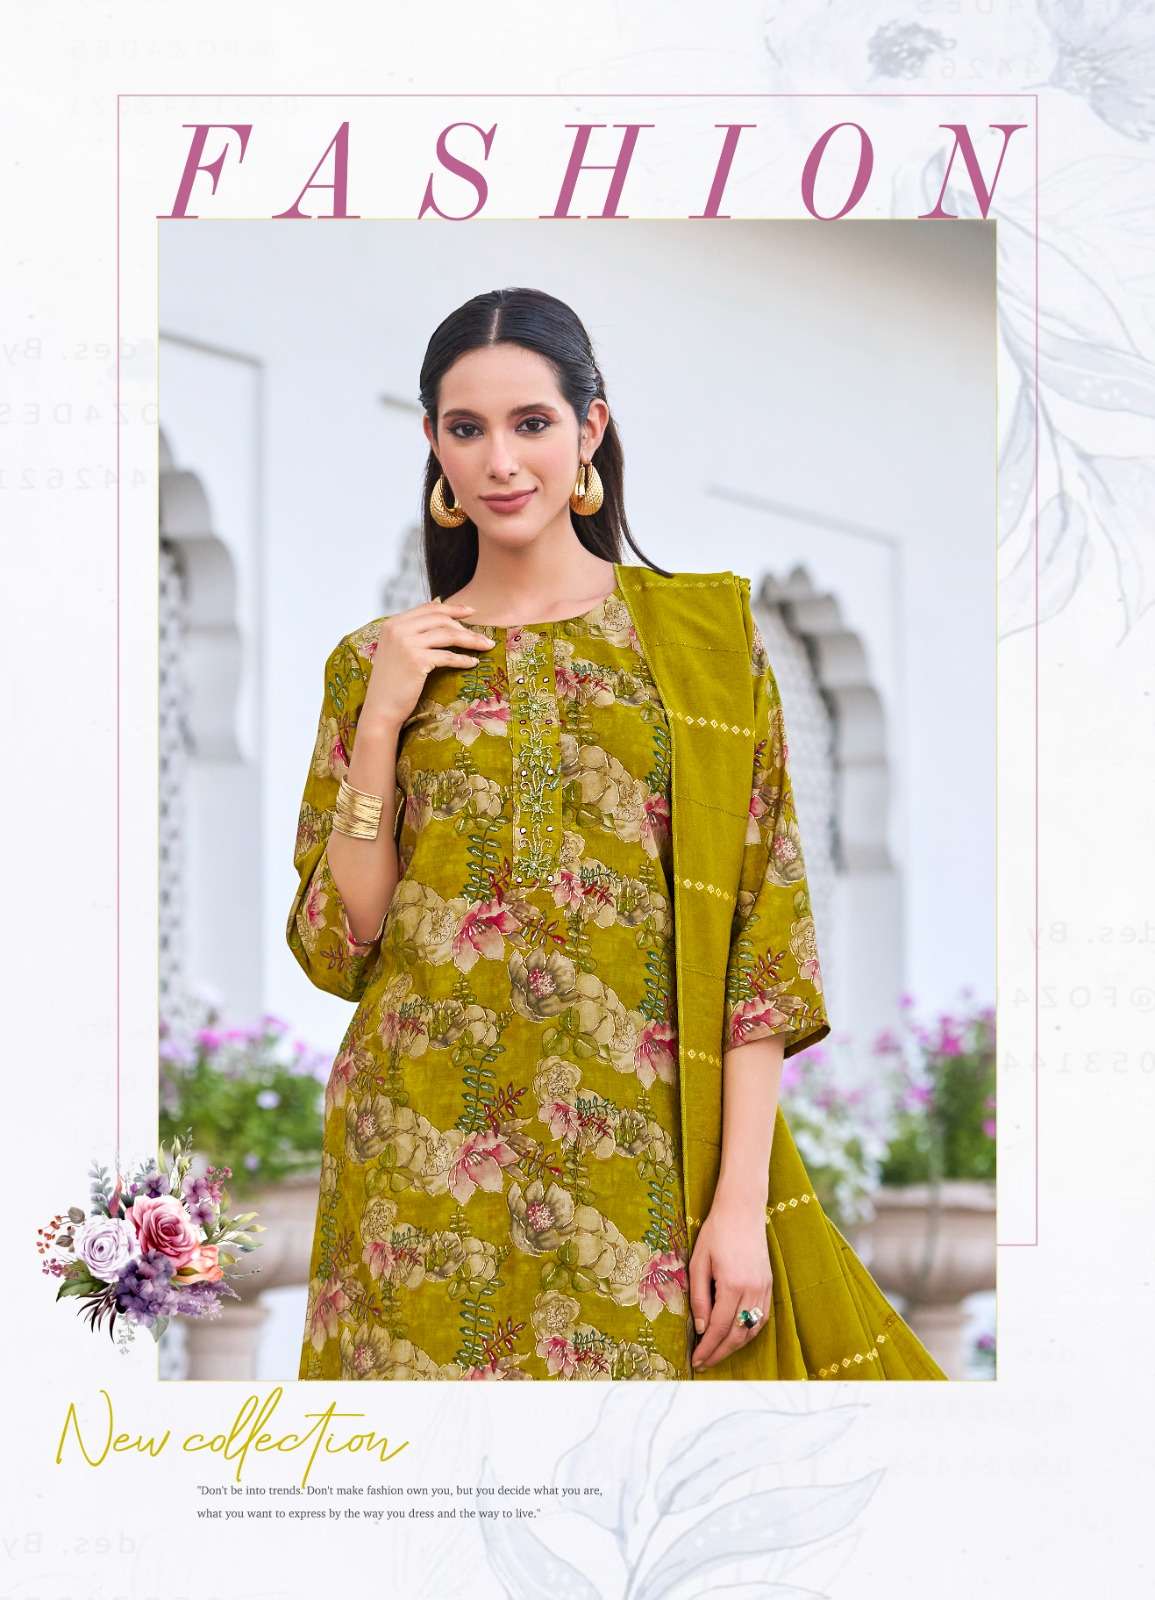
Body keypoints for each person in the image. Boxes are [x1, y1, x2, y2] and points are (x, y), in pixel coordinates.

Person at [288, 286, 947, 1381]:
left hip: (638, 1174)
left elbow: (762, 947)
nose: (501, 461)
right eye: (467, 428)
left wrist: (738, 1207)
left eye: (531, 423)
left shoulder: (701, 646)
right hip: (413, 1167)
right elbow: (340, 941)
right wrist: (382, 723)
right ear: (433, 445)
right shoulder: (377, 661)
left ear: (590, 428)